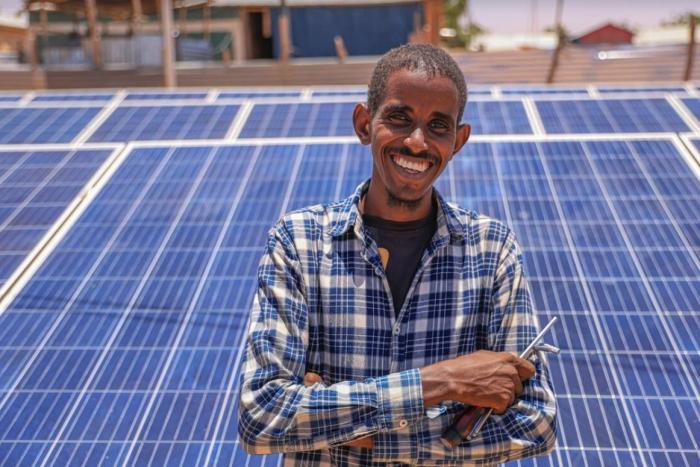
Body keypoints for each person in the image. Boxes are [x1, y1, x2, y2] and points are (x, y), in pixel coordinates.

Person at [238, 43, 556, 465]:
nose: (418, 142)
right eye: (399, 118)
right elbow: (262, 416)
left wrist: (342, 424)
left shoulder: (491, 250)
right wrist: (444, 383)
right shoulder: (300, 243)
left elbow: (535, 424)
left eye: (438, 125)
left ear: (458, 140)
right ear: (364, 123)